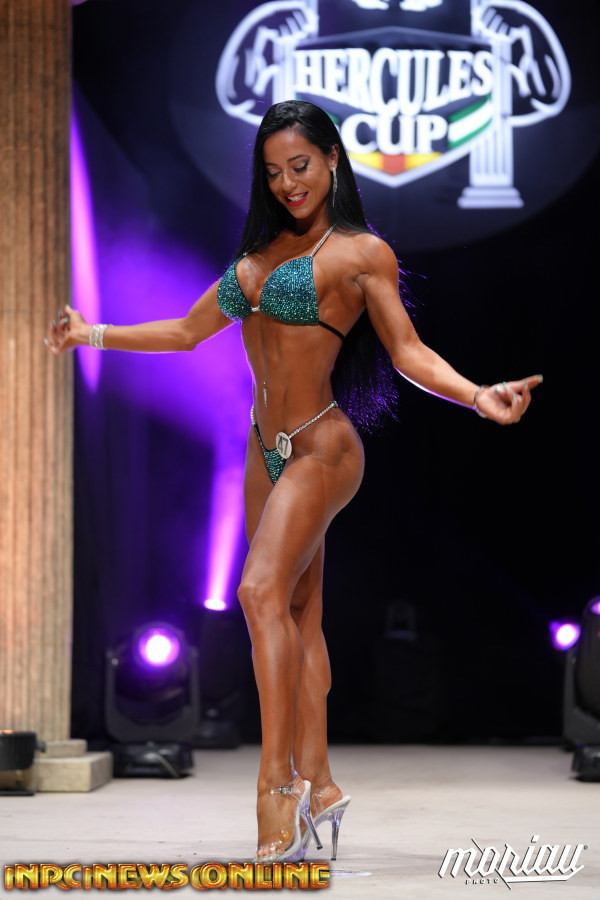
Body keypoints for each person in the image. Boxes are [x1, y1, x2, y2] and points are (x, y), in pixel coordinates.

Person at [46, 100, 541, 863]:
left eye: (300, 166)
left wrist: (478, 395)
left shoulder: (361, 253)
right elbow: (185, 332)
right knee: (298, 618)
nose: (288, 183)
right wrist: (92, 333)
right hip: (263, 450)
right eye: (274, 172)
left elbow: (407, 353)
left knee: (256, 592)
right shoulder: (259, 254)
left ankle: (276, 783)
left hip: (323, 449)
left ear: (333, 159)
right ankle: (324, 782)